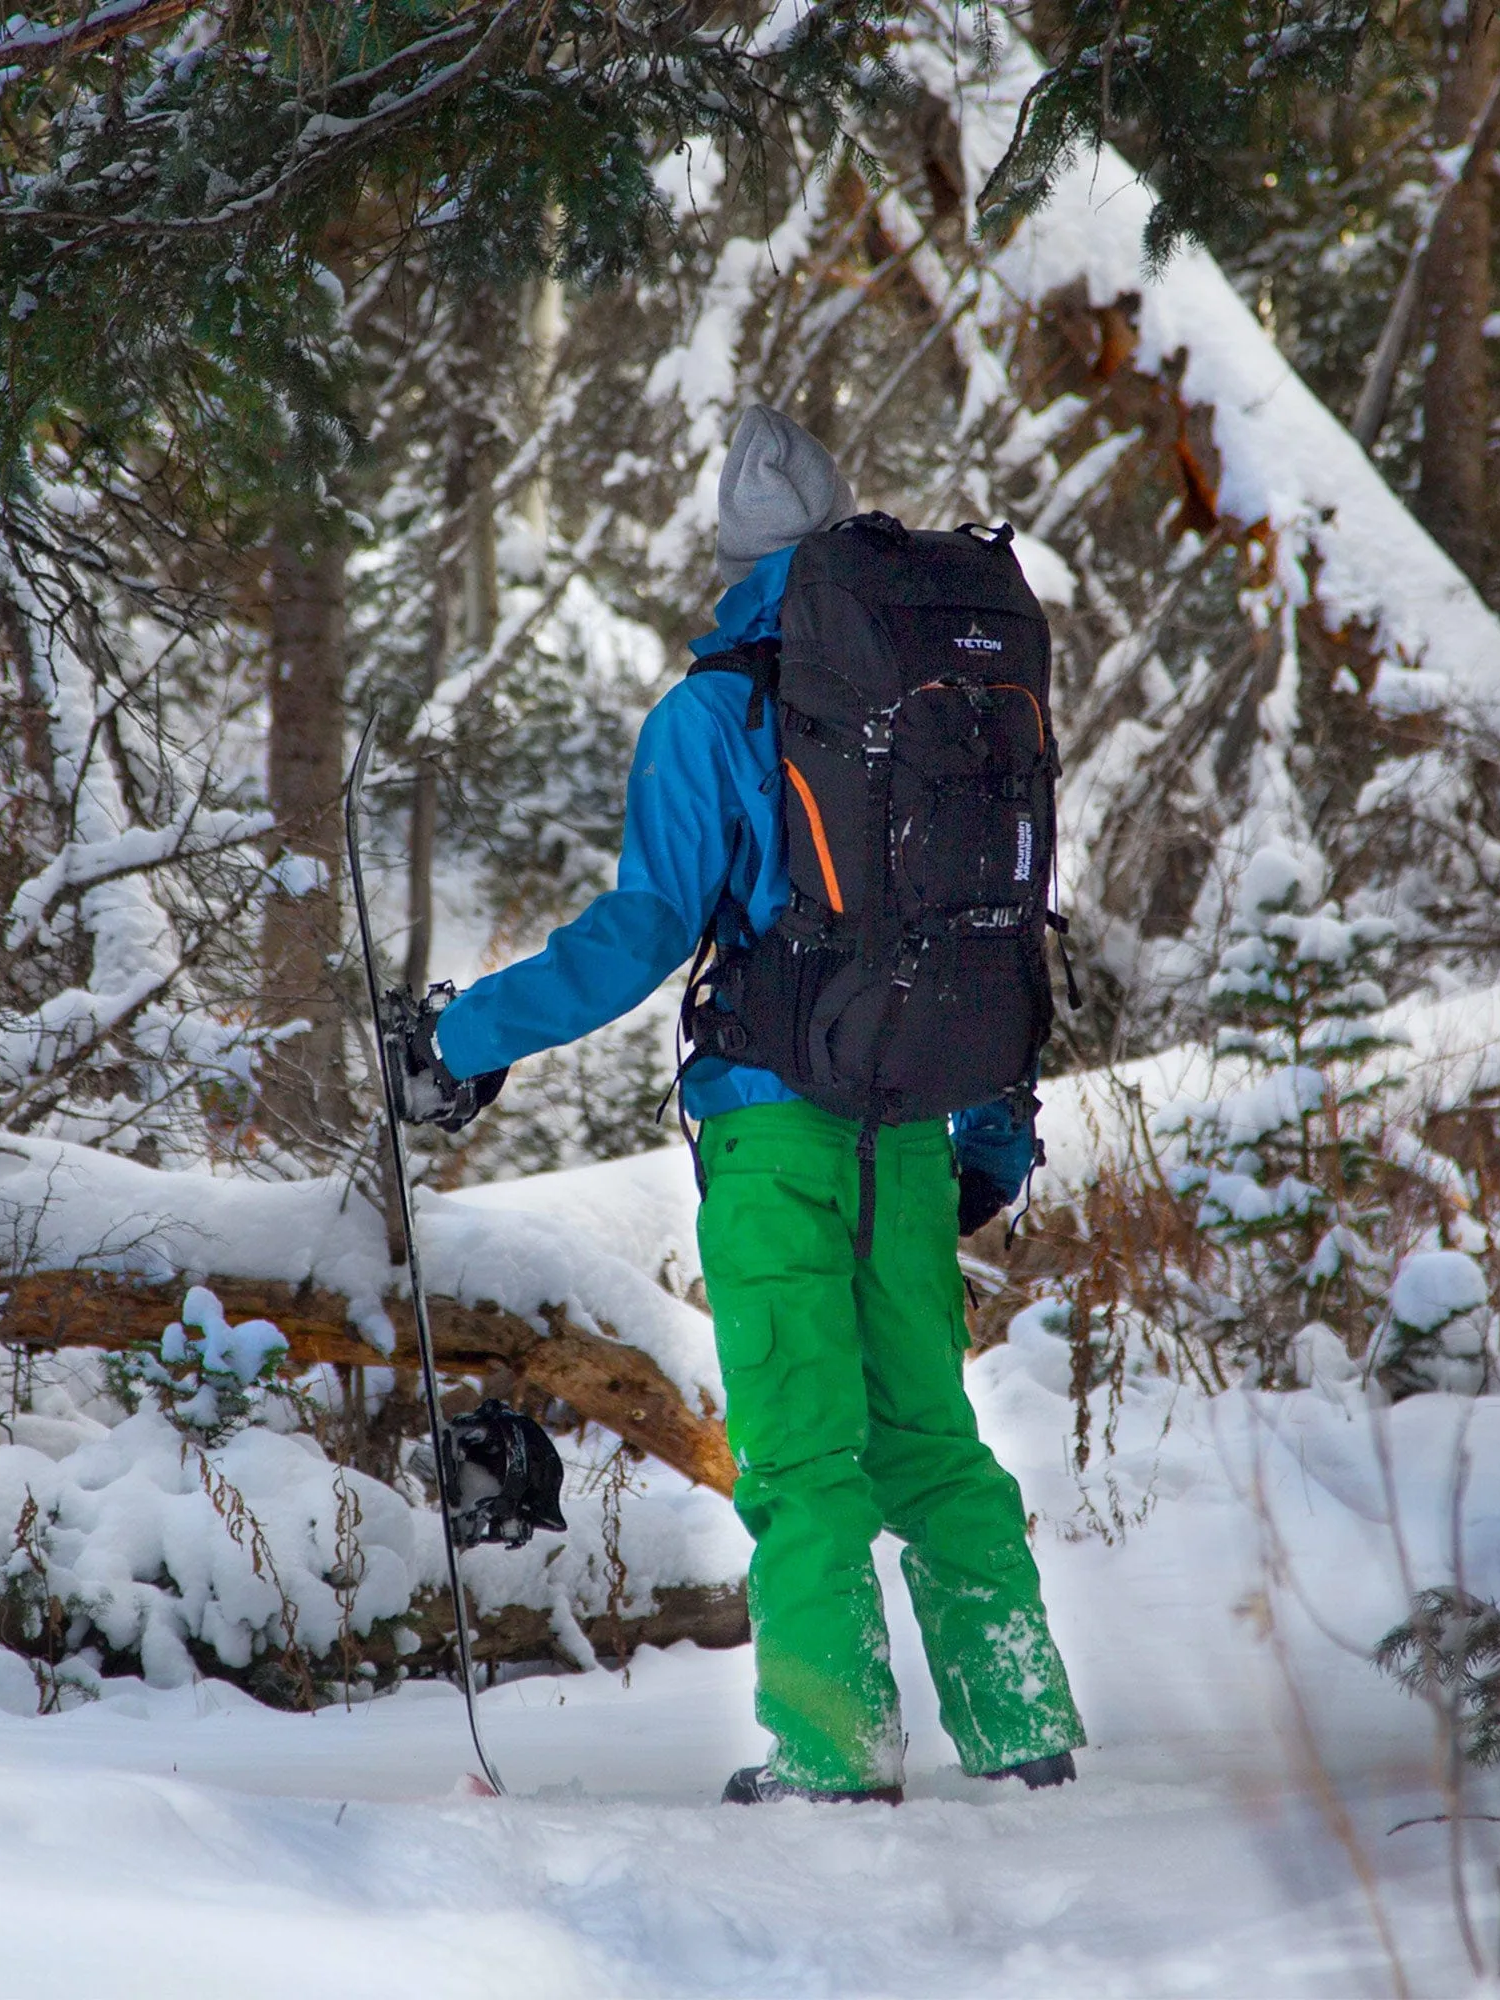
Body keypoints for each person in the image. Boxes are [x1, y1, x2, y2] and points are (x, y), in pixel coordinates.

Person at [410, 405, 1086, 1805]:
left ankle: (836, 1754)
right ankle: (1022, 1722)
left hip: (772, 1130)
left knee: (798, 1450)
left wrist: (463, 1035)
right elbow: (990, 919)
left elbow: (644, 930)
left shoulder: (713, 710)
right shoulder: (931, 699)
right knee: (928, 1435)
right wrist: (993, 1131)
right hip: (908, 1122)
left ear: (732, 556)